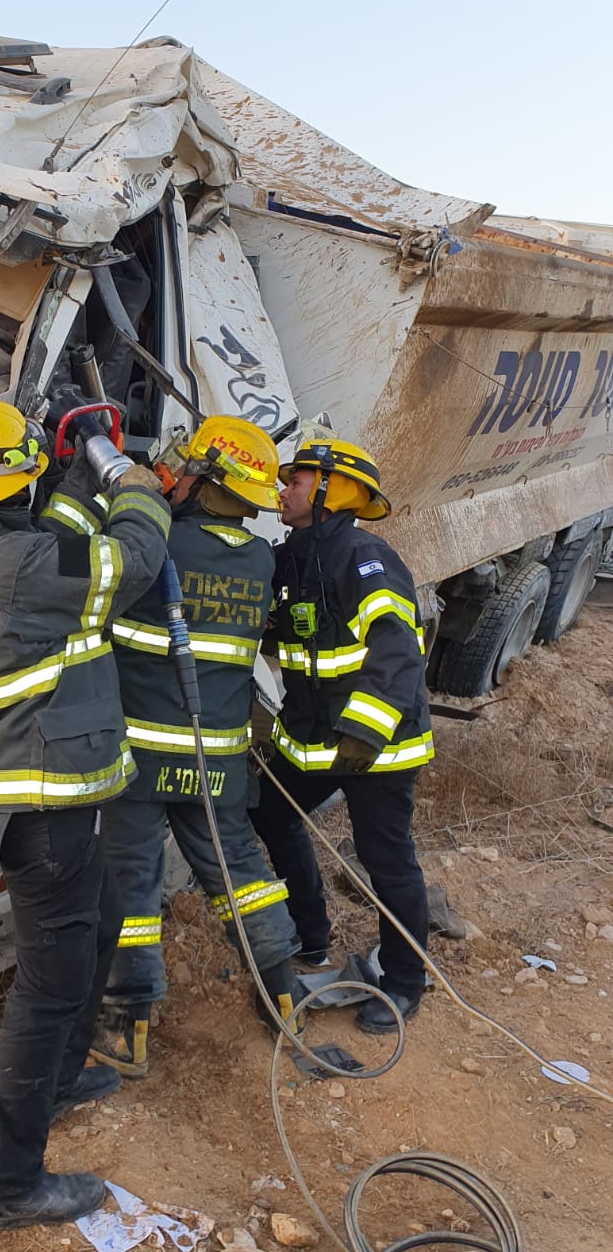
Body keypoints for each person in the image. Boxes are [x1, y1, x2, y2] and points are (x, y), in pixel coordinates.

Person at [0, 400, 170, 1231]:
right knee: (48, 991)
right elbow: (132, 557)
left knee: (98, 930)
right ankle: (8, 1184)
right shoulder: (19, 567)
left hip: (45, 798)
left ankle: (61, 1082)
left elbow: (54, 542)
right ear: (7, 489)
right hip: (44, 807)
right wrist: (129, 479)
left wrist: (66, 468)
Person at [89, 416, 302, 1078]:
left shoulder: (159, 548)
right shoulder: (259, 559)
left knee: (130, 884)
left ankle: (130, 1030)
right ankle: (284, 999)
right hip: (216, 762)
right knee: (241, 874)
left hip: (138, 758)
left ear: (204, 478)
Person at [248, 438, 434, 1035]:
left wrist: (364, 731)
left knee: (386, 860)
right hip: (317, 742)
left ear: (334, 491)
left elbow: (397, 650)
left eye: (296, 482)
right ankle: (311, 935)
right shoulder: (295, 557)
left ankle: (406, 981)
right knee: (273, 816)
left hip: (375, 747)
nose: (284, 490)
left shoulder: (363, 557)